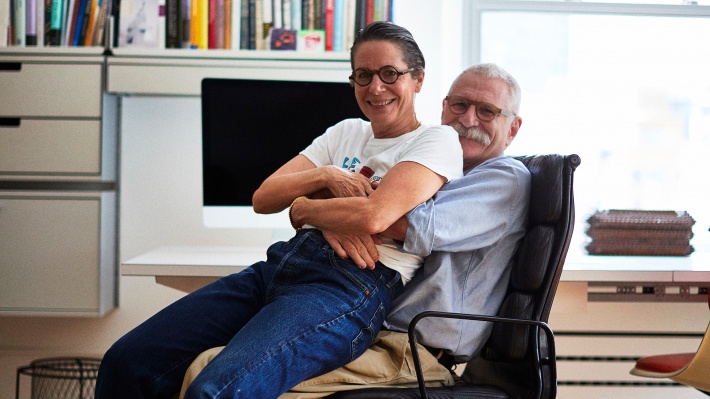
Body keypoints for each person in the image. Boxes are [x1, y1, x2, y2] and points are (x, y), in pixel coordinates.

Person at [94, 21, 463, 399]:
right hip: (280, 267)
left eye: (390, 74)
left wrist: (305, 208)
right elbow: (265, 197)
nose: (375, 87)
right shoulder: (345, 132)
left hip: (348, 287)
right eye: (363, 75)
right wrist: (326, 175)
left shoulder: (436, 140)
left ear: (417, 79)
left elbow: (374, 216)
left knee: (215, 391)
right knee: (126, 361)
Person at [181, 64, 531, 396]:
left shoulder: (504, 178)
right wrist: (339, 208)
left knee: (211, 372)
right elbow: (366, 210)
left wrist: (306, 209)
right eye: (460, 105)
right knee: (200, 356)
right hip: (373, 326)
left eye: (487, 111)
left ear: (513, 128)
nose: (468, 119)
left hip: (412, 353)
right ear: (443, 108)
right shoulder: (435, 169)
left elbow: (392, 222)